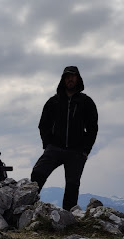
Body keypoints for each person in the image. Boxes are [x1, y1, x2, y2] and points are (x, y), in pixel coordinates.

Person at [30, 66, 98, 211]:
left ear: (78, 79)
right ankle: (28, 209)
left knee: (72, 184)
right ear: (63, 79)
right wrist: (47, 145)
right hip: (55, 147)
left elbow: (92, 128)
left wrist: (85, 150)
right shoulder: (53, 101)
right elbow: (43, 125)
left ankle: (68, 217)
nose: (70, 79)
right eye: (67, 76)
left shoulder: (86, 102)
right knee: (38, 173)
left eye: (73, 76)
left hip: (76, 150)